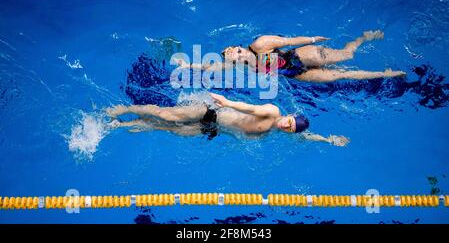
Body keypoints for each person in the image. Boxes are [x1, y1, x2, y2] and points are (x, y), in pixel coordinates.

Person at [106, 93, 349, 146]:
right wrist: (228, 102)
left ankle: (126, 124)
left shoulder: (276, 130)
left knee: (171, 130)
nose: (286, 126)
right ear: (288, 115)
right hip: (212, 112)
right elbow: (250, 107)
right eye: (289, 122)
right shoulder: (274, 112)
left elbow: (305, 136)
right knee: (166, 114)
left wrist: (328, 140)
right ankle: (124, 108)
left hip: (214, 129)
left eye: (290, 129)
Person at [177, 30, 406, 83]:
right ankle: (384, 74)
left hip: (300, 57)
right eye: (231, 56)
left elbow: (288, 42)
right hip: (293, 75)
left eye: (235, 49)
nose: (236, 53)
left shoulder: (260, 44)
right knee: (337, 77)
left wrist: (313, 40)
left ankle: (361, 39)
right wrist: (186, 65)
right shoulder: (240, 68)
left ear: (240, 47)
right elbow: (209, 68)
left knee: (347, 56)